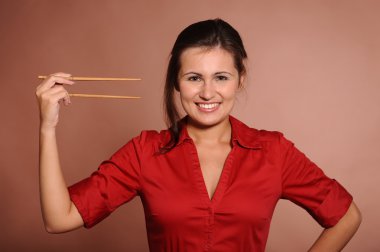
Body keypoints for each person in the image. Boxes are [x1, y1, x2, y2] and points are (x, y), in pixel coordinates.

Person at [36, 18, 361, 251]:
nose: (208, 93)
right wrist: (48, 127)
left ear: (240, 79)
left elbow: (345, 217)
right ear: (176, 82)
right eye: (194, 78)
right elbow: (58, 219)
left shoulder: (272, 151)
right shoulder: (145, 151)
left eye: (221, 77)